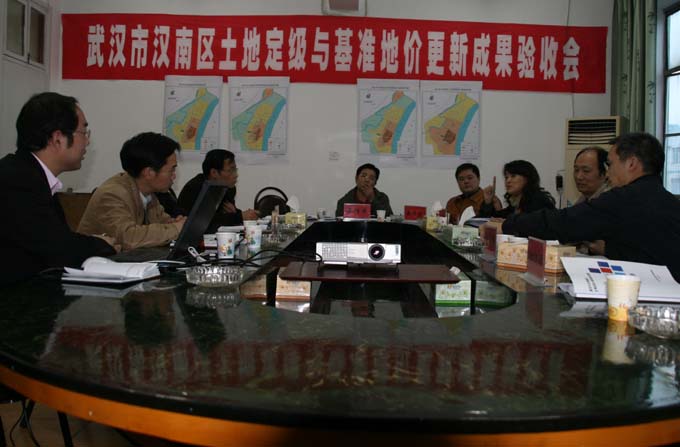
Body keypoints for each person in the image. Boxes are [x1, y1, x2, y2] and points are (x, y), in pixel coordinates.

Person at [498, 132, 680, 281]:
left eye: (610, 164)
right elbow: (641, 251)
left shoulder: (624, 199)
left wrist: (508, 225)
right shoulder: (669, 201)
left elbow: (564, 223)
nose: (608, 173)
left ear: (631, 163)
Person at [0, 92, 116, 285]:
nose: (87, 141)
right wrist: (102, 244)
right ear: (57, 138)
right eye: (83, 132)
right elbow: (59, 249)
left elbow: (52, 237)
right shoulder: (17, 180)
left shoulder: (31, 174)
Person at [78, 132, 186, 251]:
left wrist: (176, 224)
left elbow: (162, 224)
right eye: (171, 170)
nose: (174, 176)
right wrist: (176, 228)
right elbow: (128, 238)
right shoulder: (112, 194)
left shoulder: (148, 194)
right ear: (149, 173)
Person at [177, 149, 258, 232]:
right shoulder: (195, 188)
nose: (236, 175)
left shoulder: (228, 188)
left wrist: (238, 213)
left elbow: (225, 216)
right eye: (231, 170)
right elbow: (204, 222)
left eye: (235, 170)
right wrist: (239, 216)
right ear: (214, 172)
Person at [478, 160, 556, 218]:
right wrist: (488, 202)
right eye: (506, 177)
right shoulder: (515, 204)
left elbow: (530, 226)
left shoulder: (539, 201)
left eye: (513, 176)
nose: (508, 181)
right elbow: (486, 220)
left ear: (527, 178)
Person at [572, 146, 609, 255]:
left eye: (586, 171)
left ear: (604, 173)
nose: (579, 176)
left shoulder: (608, 200)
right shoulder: (583, 199)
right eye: (576, 170)